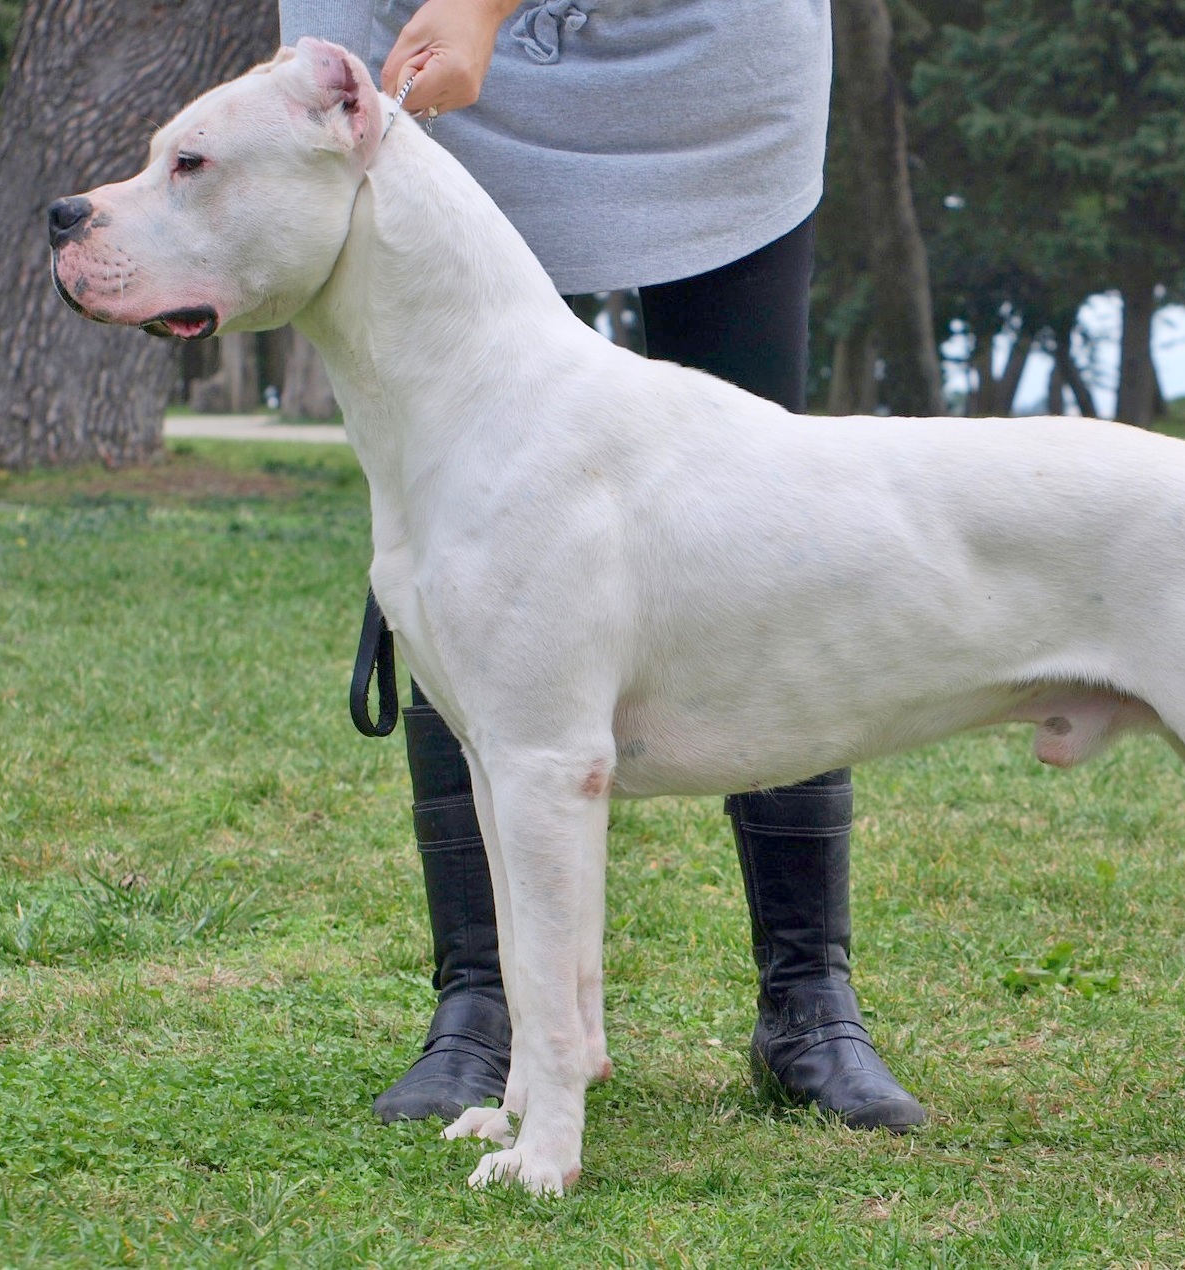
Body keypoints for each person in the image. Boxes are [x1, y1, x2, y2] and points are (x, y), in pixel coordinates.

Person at [277, 0, 925, 1132]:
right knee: (478, 532)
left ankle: (807, 997)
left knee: (767, 524)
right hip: (432, 79)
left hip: (702, 71)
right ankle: (484, 1005)